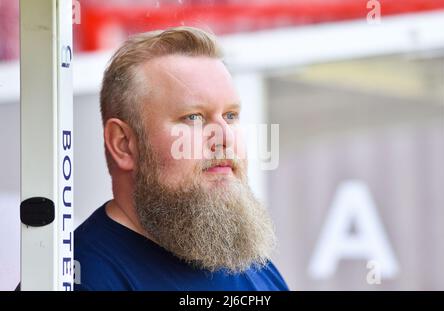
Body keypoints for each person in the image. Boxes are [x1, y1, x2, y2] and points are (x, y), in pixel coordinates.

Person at [74, 26, 289, 291]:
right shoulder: (83, 280)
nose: (224, 137)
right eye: (194, 117)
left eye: (231, 116)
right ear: (124, 145)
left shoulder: (249, 265)